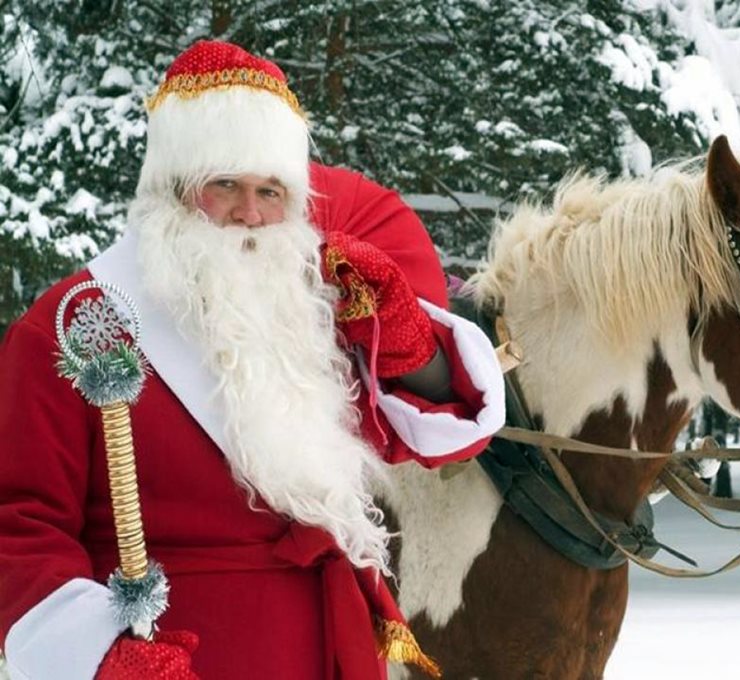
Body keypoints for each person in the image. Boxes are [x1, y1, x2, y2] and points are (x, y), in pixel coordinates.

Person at [0, 40, 504, 679]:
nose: (250, 213)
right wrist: (101, 656)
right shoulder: (72, 325)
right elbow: (17, 525)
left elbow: (432, 438)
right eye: (225, 184)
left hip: (331, 651)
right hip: (182, 654)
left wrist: (408, 344)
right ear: (175, 187)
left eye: (271, 190)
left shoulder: (304, 312)